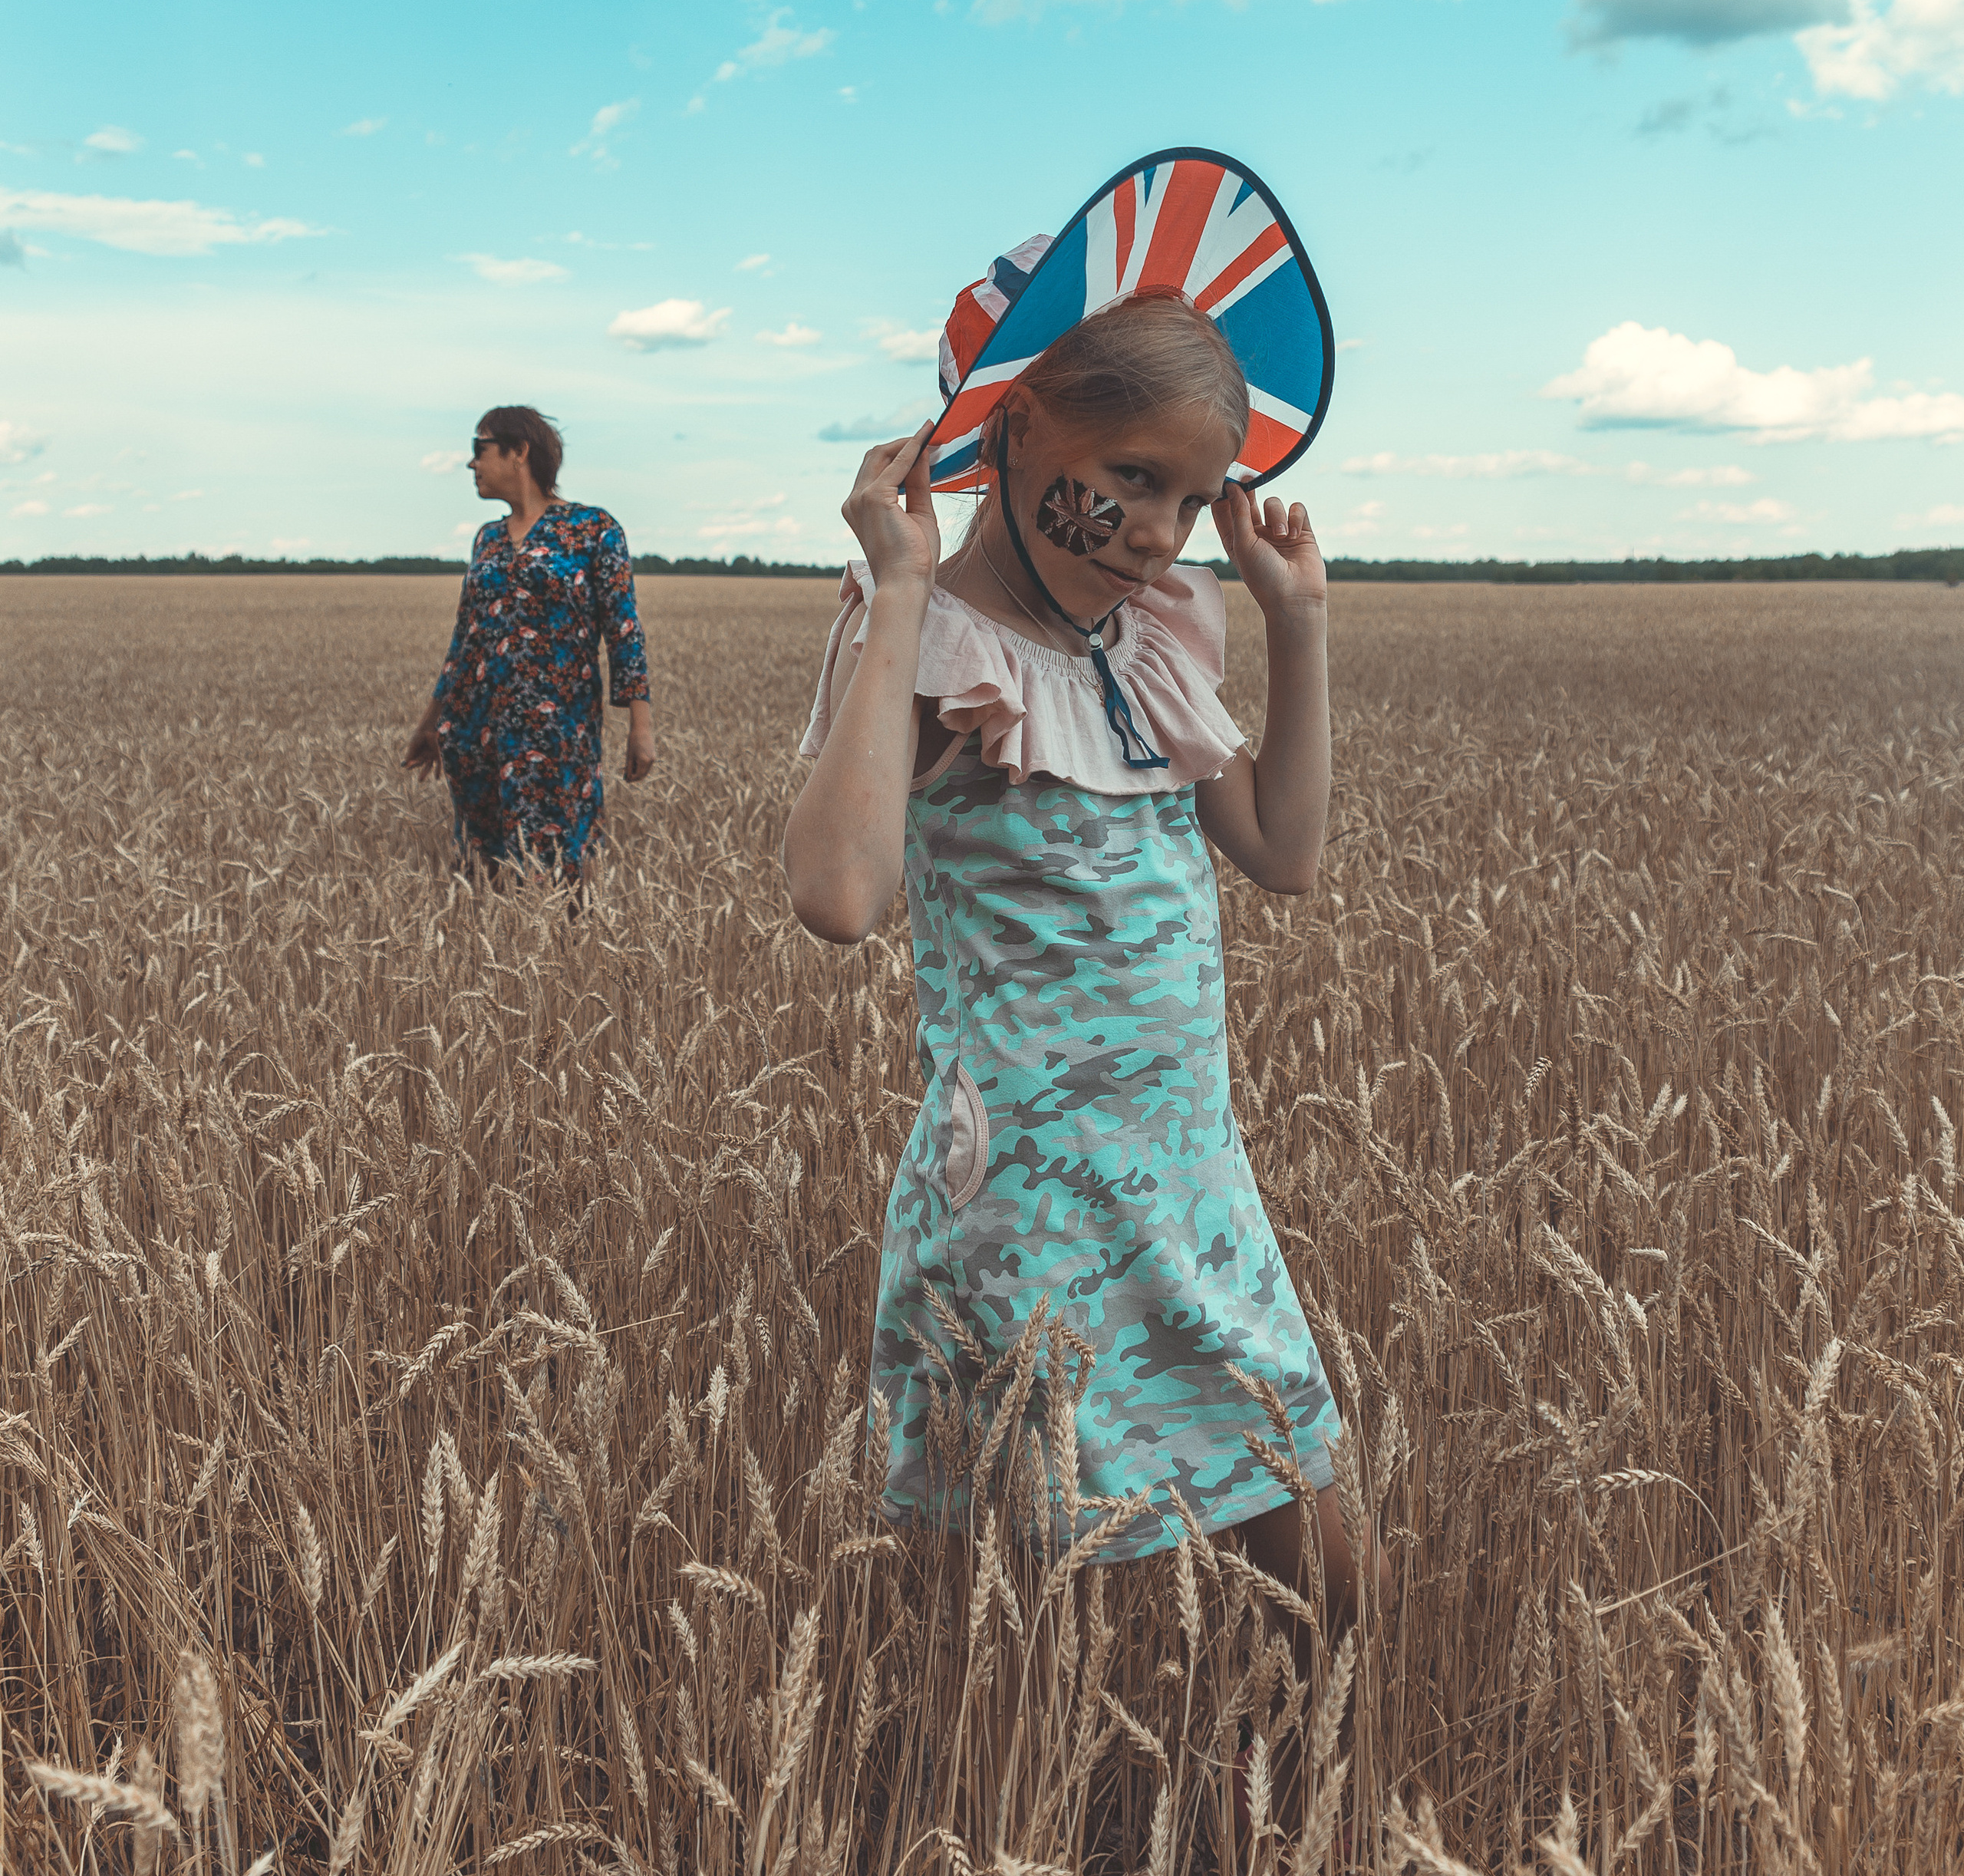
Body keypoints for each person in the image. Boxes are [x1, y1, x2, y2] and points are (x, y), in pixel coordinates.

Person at [782, 150, 1380, 1627]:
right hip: (1029, 1203)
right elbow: (841, 895)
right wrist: (903, 592)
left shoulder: (1152, 638)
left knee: (1324, 1547)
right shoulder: (933, 641)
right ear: (1015, 419)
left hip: (1190, 1179)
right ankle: (986, 1827)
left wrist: (1298, 623)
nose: (1162, 534)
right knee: (1003, 1608)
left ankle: (1323, 1817)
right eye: (1129, 480)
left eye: (1188, 497)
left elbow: (1284, 856)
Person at [403, 404, 654, 879]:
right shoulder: (488, 539)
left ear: (519, 451)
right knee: (483, 872)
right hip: (474, 733)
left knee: (559, 872)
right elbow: (465, 640)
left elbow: (624, 631)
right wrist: (430, 723)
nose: (471, 463)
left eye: (480, 449)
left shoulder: (592, 529)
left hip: (557, 735)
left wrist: (640, 726)